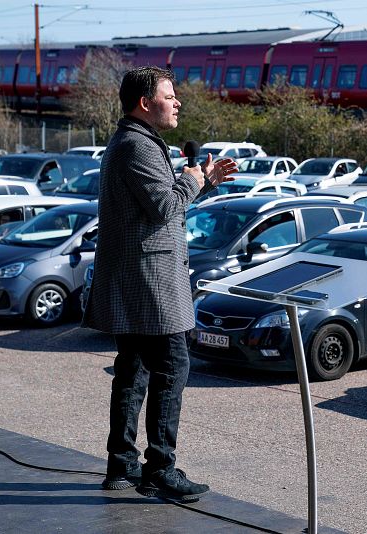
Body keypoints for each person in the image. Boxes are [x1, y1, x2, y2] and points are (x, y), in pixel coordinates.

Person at [82, 66, 237, 502]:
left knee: (133, 370)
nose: (178, 102)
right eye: (170, 96)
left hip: (140, 281)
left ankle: (122, 466)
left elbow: (159, 206)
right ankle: (160, 469)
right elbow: (164, 206)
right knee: (173, 367)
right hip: (150, 284)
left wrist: (202, 183)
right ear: (146, 104)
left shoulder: (137, 142)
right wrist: (193, 179)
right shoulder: (137, 145)